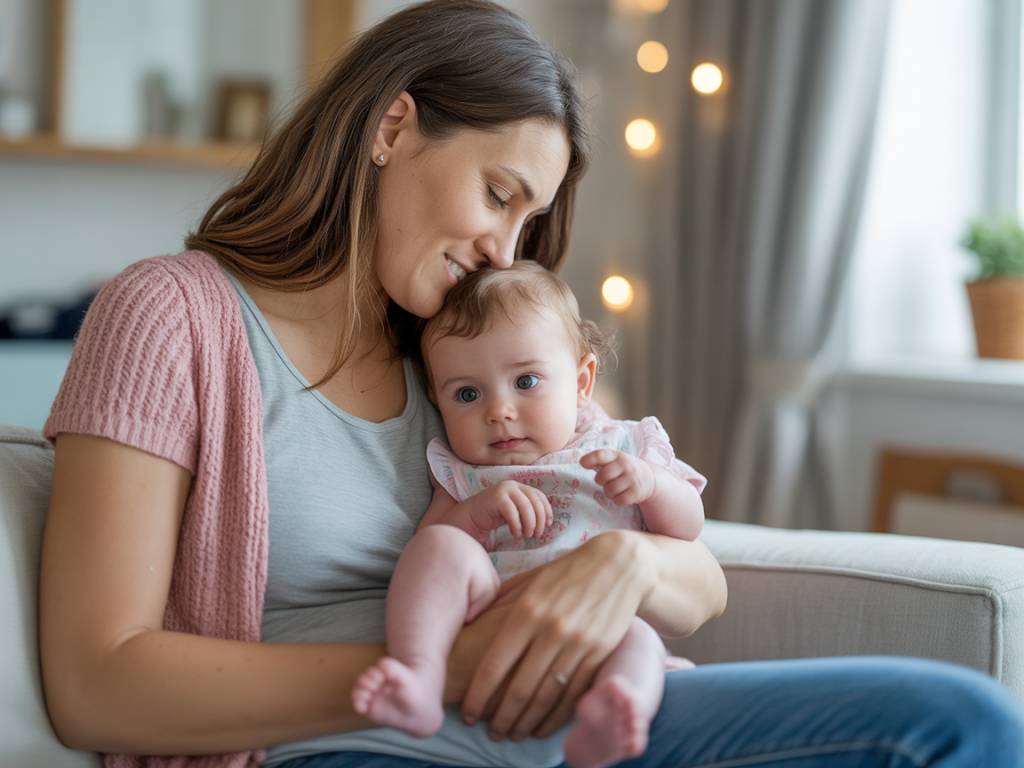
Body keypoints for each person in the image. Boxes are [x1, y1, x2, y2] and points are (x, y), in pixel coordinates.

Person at [37, 1, 1024, 767]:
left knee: (952, 724)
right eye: (497, 195)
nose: (499, 251)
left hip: (578, 727)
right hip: (369, 743)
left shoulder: (470, 349)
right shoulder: (168, 316)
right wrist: (437, 670)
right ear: (391, 126)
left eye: (526, 222)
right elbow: (97, 679)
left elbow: (699, 575)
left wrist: (624, 568)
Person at [352, 262, 705, 768]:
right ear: (437, 399)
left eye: (527, 380)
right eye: (467, 394)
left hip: (598, 631)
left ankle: (611, 712)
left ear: (582, 381)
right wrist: (475, 517)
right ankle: (420, 677)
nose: (499, 410)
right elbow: (424, 557)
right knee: (441, 548)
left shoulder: (623, 445)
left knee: (640, 639)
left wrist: (650, 485)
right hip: (491, 627)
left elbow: (689, 528)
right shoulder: (465, 474)